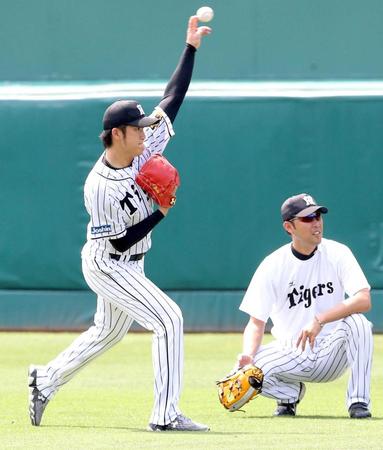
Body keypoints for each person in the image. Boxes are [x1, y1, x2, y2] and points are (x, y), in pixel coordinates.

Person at [28, 15, 211, 432]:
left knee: (108, 332)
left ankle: (44, 380)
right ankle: (165, 417)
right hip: (109, 262)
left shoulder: (144, 148)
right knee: (169, 319)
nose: (147, 132)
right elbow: (119, 243)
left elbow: (172, 98)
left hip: (133, 261)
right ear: (116, 134)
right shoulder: (99, 186)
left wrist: (191, 48)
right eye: (138, 128)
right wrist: (161, 212)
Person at [237, 193, 373, 419]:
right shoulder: (273, 265)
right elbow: (256, 322)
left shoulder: (338, 253)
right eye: (308, 218)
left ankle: (358, 402)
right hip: (292, 352)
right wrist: (247, 356)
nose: (316, 222)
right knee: (250, 370)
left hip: (332, 350)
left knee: (359, 323)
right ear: (289, 227)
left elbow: (363, 299)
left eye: (318, 215)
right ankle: (289, 395)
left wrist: (320, 320)